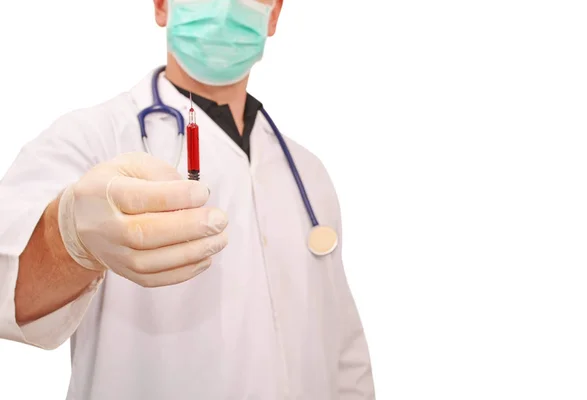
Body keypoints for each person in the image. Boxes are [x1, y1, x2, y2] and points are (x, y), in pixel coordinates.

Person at [0, 0, 375, 398]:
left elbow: (342, 345)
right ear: (162, 6)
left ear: (274, 15)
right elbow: (8, 288)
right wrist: (69, 236)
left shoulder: (307, 172)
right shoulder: (92, 138)